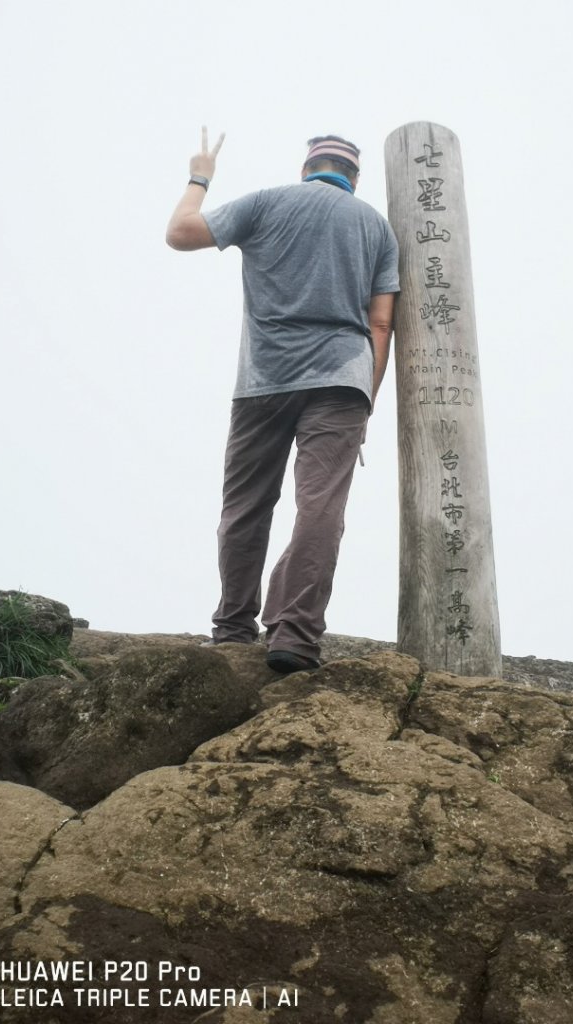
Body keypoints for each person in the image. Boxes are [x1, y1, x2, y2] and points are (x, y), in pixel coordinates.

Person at [166, 128, 399, 674]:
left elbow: (180, 233)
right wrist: (365, 399)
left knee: (246, 505)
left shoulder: (267, 202)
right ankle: (293, 635)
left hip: (264, 379)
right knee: (321, 507)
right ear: (354, 178)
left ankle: (232, 628)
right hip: (343, 380)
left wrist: (201, 174)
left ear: (307, 168)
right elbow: (382, 322)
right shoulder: (376, 228)